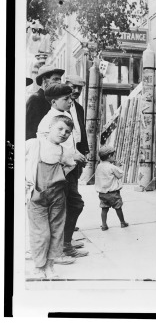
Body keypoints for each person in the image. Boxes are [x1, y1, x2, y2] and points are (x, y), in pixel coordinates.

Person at [38, 84, 89, 259]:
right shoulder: (48, 120)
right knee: (72, 205)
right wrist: (71, 154)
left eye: (70, 98)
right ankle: (62, 246)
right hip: (58, 172)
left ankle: (65, 242)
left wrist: (76, 153)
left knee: (68, 206)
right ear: (54, 101)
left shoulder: (65, 114)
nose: (70, 100)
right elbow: (48, 148)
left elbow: (70, 142)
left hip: (69, 169)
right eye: (65, 99)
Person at [25, 115, 76, 278]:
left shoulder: (64, 151)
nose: (63, 133)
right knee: (41, 233)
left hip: (57, 197)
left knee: (56, 232)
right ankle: (39, 266)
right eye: (60, 129)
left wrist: (60, 173)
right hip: (36, 196)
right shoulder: (34, 144)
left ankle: (50, 266)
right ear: (50, 128)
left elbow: (70, 165)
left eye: (67, 132)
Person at [65, 75, 89, 233]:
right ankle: (66, 229)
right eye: (73, 87)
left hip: (77, 155)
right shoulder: (60, 106)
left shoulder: (78, 107)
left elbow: (81, 130)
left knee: (73, 190)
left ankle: (69, 225)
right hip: (65, 157)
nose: (76, 91)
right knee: (71, 197)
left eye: (80, 88)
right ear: (66, 85)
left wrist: (85, 151)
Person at [26, 64, 65, 140]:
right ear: (44, 80)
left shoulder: (53, 100)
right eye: (55, 79)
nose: (59, 82)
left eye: (60, 79)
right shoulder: (35, 99)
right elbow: (30, 130)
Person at [95, 146, 128, 230]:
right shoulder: (111, 167)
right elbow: (119, 175)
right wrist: (118, 166)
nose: (114, 157)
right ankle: (122, 222)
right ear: (109, 156)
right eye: (113, 156)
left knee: (104, 208)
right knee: (118, 207)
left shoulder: (99, 166)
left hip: (102, 193)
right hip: (113, 193)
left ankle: (104, 225)